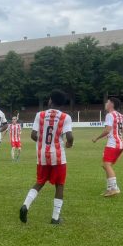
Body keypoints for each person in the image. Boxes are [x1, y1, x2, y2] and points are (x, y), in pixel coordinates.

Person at [20, 91, 73, 225]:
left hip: (42, 155)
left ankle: (26, 205)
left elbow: (33, 135)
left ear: (50, 101)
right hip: (59, 156)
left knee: (40, 182)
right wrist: (69, 144)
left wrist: (43, 141)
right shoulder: (65, 117)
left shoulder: (40, 115)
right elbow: (70, 137)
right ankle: (55, 218)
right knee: (59, 185)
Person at [92, 97, 123, 197]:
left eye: (107, 102)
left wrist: (97, 138)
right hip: (121, 144)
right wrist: (117, 131)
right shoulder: (120, 115)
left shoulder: (110, 115)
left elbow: (107, 130)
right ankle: (110, 188)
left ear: (112, 104)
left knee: (107, 165)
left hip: (113, 144)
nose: (106, 103)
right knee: (105, 165)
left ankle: (114, 188)